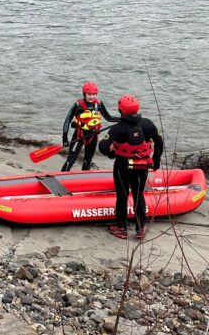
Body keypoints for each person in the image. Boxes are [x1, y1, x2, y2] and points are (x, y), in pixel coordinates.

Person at [98, 94, 163, 240]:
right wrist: (156, 161)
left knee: (122, 196)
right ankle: (140, 229)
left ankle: (122, 228)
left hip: (122, 167)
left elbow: (102, 146)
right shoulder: (148, 124)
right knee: (138, 195)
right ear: (137, 108)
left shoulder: (117, 128)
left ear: (121, 110)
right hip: (142, 167)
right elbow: (159, 143)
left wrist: (112, 155)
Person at [61, 81, 117, 171]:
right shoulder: (77, 106)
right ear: (84, 94)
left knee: (88, 159)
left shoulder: (99, 104)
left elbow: (108, 118)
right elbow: (67, 120)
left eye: (94, 94)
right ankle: (62, 176)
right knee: (71, 159)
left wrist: (122, 119)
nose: (92, 96)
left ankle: (84, 176)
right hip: (79, 135)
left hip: (93, 136)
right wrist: (64, 138)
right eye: (89, 94)